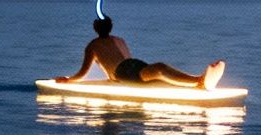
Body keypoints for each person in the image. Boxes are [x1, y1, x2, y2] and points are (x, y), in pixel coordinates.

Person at [57, 16, 225, 89]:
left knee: (159, 73)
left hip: (129, 69)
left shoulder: (98, 44)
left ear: (96, 28)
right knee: (159, 69)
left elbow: (82, 73)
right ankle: (198, 80)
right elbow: (84, 72)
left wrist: (69, 79)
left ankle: (197, 81)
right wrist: (69, 80)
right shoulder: (107, 42)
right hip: (126, 70)